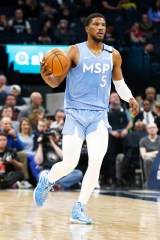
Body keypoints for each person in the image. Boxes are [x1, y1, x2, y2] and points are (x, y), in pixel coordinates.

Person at [34, 13, 139, 224]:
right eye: (96, 24)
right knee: (70, 162)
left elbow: (119, 84)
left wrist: (130, 98)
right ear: (87, 28)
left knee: (96, 162)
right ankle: (48, 179)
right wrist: (45, 74)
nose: (101, 28)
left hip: (99, 115)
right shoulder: (74, 51)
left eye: (104, 25)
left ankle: (79, 208)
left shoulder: (113, 54)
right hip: (74, 113)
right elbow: (55, 83)